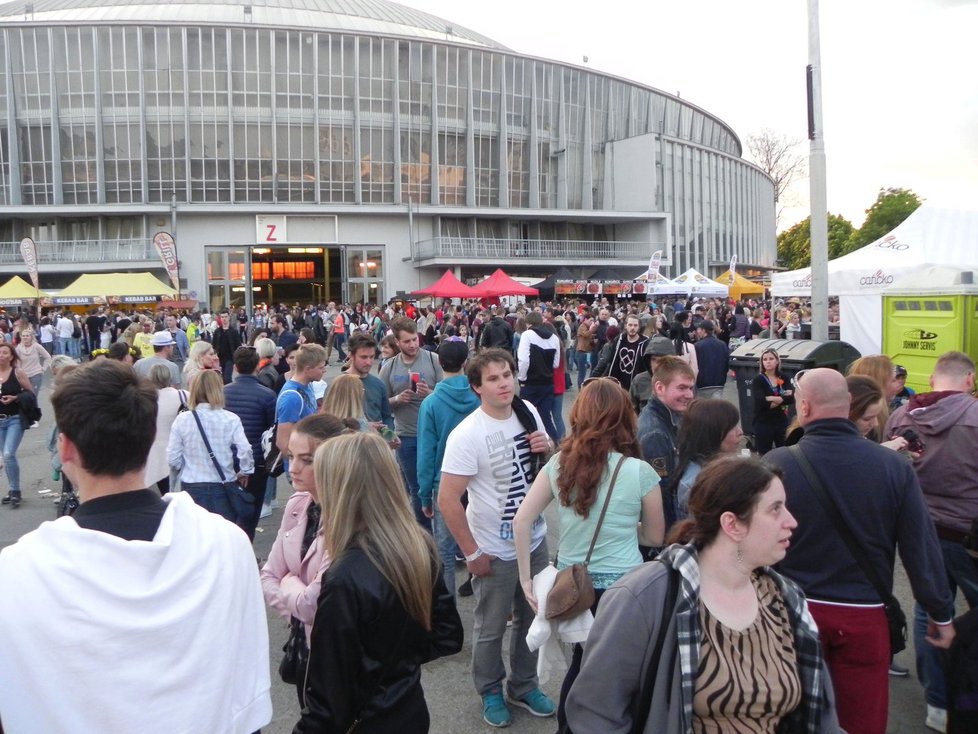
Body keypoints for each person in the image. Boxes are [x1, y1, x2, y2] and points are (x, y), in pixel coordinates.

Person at [0, 359, 272, 733]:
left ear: (65, 448)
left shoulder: (17, 573)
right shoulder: (227, 546)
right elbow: (245, 693)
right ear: (148, 441)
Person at [566, 456, 840, 733]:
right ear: (732, 524)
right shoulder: (647, 596)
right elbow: (595, 712)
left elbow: (821, 717)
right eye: (775, 509)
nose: (791, 521)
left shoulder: (786, 599)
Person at [766, 368, 956, 734]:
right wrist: (940, 613)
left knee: (791, 717)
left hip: (792, 613)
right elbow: (920, 547)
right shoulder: (892, 467)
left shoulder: (778, 464)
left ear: (803, 407)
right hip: (865, 615)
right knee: (862, 721)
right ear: (849, 406)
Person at [513, 377, 664, 729]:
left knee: (583, 665)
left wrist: (525, 580)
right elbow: (656, 534)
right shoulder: (640, 472)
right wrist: (625, 527)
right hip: (626, 590)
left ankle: (569, 725)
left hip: (575, 587)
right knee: (619, 673)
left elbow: (522, 521)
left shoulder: (558, 465)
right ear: (624, 416)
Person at [293, 431, 464, 733]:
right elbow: (447, 636)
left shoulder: (343, 578)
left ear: (340, 490)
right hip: (409, 710)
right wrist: (398, 664)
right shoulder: (418, 546)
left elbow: (327, 706)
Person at [438, 348, 557, 727]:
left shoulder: (528, 412)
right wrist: (471, 552)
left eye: (507, 374)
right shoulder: (467, 435)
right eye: (493, 378)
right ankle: (490, 689)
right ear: (477, 387)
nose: (504, 383)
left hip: (534, 540)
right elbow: (447, 500)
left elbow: (548, 469)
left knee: (532, 617)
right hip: (493, 546)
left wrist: (549, 448)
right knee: (490, 628)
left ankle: (523, 685)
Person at [884, 351, 978, 732]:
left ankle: (937, 702)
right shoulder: (974, 416)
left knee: (931, 611)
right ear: (969, 379)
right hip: (969, 535)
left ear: (935, 379)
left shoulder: (901, 416)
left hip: (921, 532)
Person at [261, 413, 353, 705]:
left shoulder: (349, 518)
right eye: (290, 457)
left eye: (307, 460)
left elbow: (316, 605)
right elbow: (268, 577)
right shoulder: (298, 504)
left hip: (341, 658)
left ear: (334, 460)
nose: (293, 468)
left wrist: (292, 589)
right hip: (303, 650)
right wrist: (299, 611)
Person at [417, 338, 481, 597]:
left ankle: (448, 610)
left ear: (439, 362)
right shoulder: (479, 396)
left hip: (443, 485)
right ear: (466, 362)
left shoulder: (431, 403)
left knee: (444, 548)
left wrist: (424, 495)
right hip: (478, 481)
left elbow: (426, 454)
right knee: (480, 543)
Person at [167, 369, 255, 527]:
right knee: (223, 533)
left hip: (192, 486)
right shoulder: (230, 419)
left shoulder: (182, 419)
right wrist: (245, 470)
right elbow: (245, 449)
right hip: (222, 485)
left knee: (195, 534)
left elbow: (173, 459)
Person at [380, 316, 444, 531]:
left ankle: (443, 531)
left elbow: (447, 397)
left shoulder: (433, 359)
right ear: (397, 342)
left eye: (415, 339)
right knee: (417, 488)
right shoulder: (389, 367)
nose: (413, 344)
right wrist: (397, 400)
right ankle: (424, 534)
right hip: (406, 435)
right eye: (407, 341)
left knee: (440, 485)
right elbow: (380, 407)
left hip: (434, 434)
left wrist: (431, 394)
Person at [224, 345, 277, 541]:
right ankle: (245, 552)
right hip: (256, 463)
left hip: (227, 461)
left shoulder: (223, 393)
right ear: (257, 365)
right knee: (250, 514)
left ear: (235, 367)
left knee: (227, 513)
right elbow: (272, 432)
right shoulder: (267, 395)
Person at [637, 356, 696, 529]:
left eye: (691, 388)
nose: (689, 395)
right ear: (660, 388)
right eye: (682, 388)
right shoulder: (655, 433)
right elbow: (661, 493)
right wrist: (673, 537)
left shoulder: (672, 417)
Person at [668, 398, 743, 519]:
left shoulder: (720, 465)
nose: (740, 432)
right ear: (711, 432)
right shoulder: (696, 484)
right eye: (732, 427)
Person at [142, 363, 187, 496]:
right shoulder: (183, 396)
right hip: (183, 452)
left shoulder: (145, 400)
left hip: (156, 456)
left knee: (166, 494)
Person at [517, 311, 560, 441]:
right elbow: (556, 364)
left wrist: (522, 378)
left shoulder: (527, 335)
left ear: (528, 323)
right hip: (547, 383)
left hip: (530, 383)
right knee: (546, 419)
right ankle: (558, 449)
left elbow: (523, 360)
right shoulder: (554, 337)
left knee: (524, 417)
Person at [0, 343, 34, 508]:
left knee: (8, 454)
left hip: (14, 419)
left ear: (11, 356)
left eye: (4, 353)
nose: (1, 355)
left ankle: (15, 491)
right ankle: (13, 490)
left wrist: (15, 398)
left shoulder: (17, 372)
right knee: (7, 457)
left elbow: (30, 393)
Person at [345, 331, 394, 432]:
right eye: (363, 357)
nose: (368, 362)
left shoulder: (379, 384)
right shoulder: (339, 385)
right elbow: (333, 422)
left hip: (375, 444)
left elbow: (386, 417)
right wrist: (363, 427)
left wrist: (390, 435)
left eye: (371, 357)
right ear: (351, 355)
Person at [752, 347, 794, 454]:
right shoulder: (759, 380)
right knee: (764, 454)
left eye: (771, 359)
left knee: (785, 451)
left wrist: (772, 398)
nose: (768, 362)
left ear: (777, 361)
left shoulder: (784, 377)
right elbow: (761, 401)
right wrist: (782, 397)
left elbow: (791, 397)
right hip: (763, 422)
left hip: (781, 421)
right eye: (765, 359)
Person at [692, 319, 728, 399]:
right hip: (719, 383)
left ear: (703, 330)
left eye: (698, 329)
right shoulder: (722, 344)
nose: (697, 331)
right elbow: (726, 363)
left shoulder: (697, 346)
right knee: (716, 409)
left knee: (703, 409)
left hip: (702, 383)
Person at [14, 327, 50, 399]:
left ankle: (35, 410)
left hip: (36, 374)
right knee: (25, 397)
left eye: (27, 336)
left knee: (33, 396)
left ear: (31, 337)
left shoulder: (36, 346)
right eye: (23, 336)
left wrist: (43, 368)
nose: (25, 337)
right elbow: (16, 362)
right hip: (24, 375)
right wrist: (18, 373)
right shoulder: (18, 348)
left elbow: (48, 357)